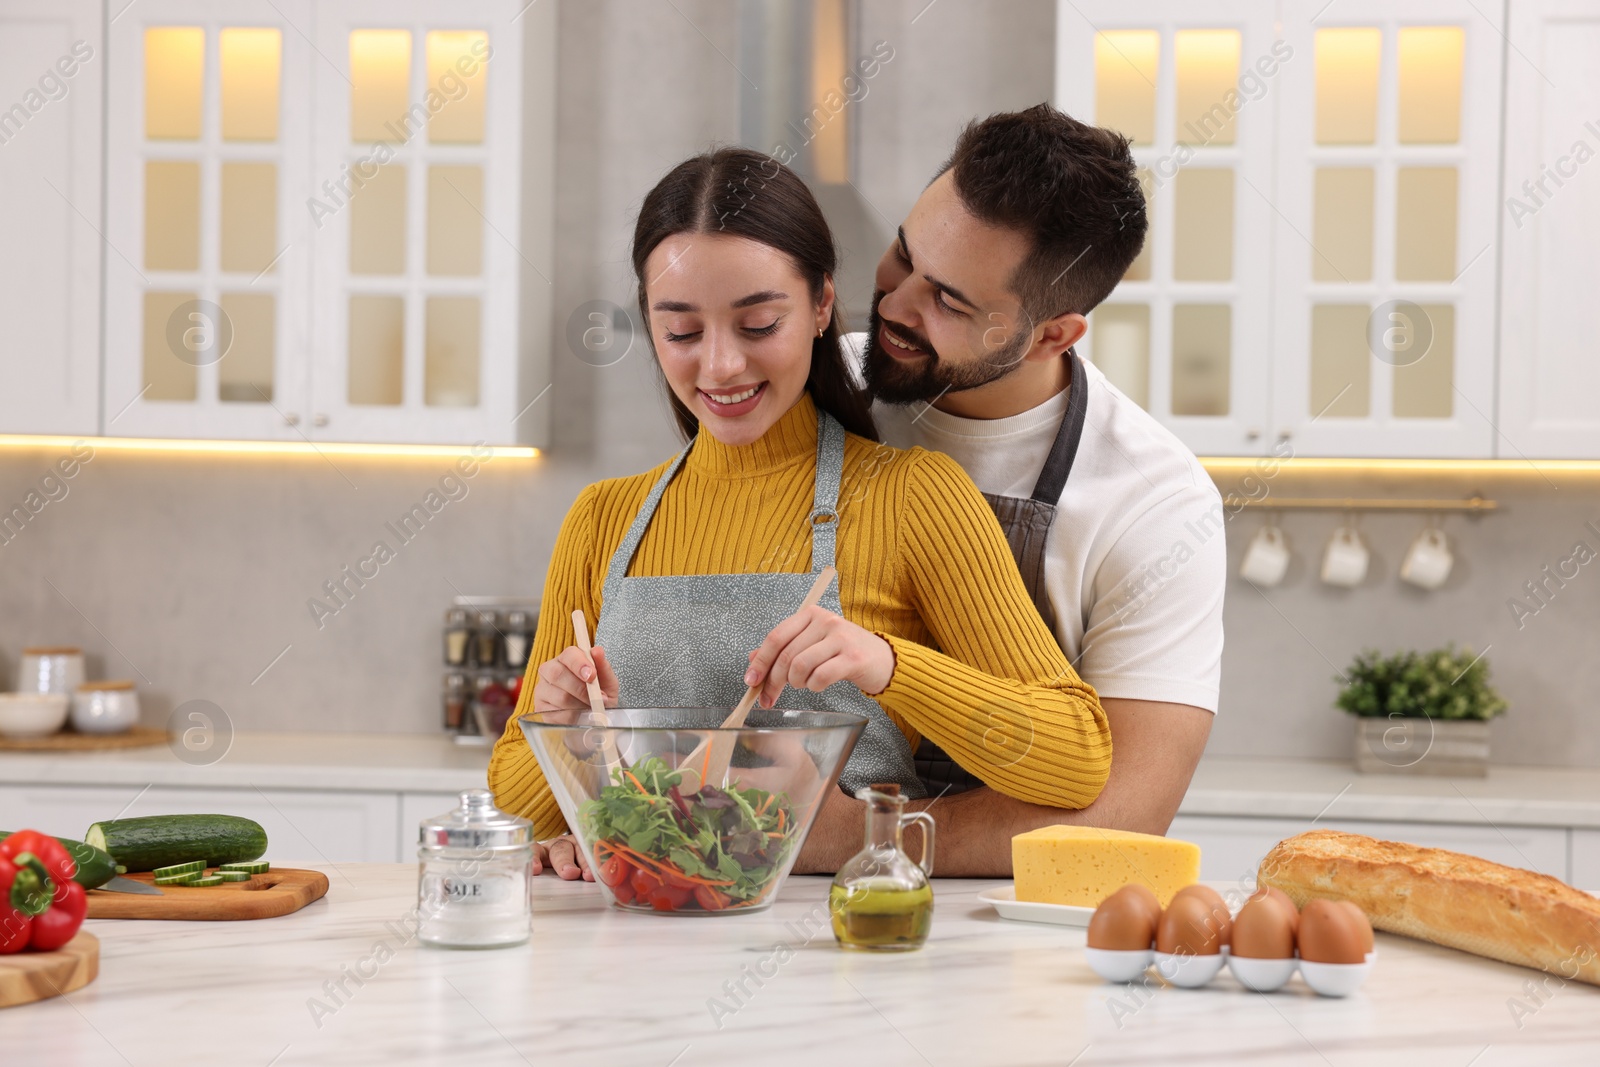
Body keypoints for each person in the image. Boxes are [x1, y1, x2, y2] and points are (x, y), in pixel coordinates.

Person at [487, 147, 1112, 880]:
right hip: (642, 949)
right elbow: (519, 809)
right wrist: (567, 734)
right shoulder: (603, 519)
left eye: (757, 325)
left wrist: (889, 664)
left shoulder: (911, 497)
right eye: (681, 332)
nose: (719, 366)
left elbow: (1077, 756)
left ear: (821, 304)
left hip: (839, 951)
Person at [800, 104, 1225, 873]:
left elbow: (1124, 814)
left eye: (951, 302)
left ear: (1052, 334)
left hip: (994, 923)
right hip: (763, 882)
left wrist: (848, 838)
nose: (894, 306)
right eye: (903, 255)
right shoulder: (816, 387)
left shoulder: (1156, 500)